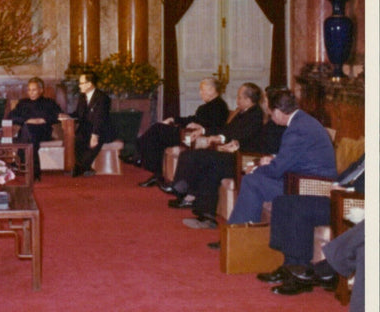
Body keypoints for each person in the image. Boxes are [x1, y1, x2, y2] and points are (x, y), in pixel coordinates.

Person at [227, 88, 337, 225]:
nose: (270, 116)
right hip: (300, 178)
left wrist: (256, 168)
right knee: (254, 180)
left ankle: (238, 234)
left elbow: (277, 170)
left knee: (252, 181)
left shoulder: (297, 130)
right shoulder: (302, 121)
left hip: (308, 185)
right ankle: (243, 232)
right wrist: (273, 160)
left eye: (270, 113)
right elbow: (294, 158)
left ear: (278, 112)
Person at [163, 83, 265, 228]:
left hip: (239, 159)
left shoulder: (255, 115)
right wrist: (207, 132)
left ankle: (182, 188)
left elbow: (241, 136)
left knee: (202, 159)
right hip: (229, 154)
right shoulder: (242, 112)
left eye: (239, 97)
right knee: (198, 159)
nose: (236, 100)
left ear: (248, 100)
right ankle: (204, 212)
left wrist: (222, 139)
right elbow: (226, 129)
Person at [257, 155, 364, 293]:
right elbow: (349, 172)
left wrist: (348, 191)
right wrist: (337, 184)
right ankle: (290, 265)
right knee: (282, 202)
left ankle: (301, 272)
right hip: (336, 198)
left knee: (299, 210)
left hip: (352, 203)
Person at [136, 77, 229, 188]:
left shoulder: (220, 106)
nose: (200, 93)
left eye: (202, 89)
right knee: (158, 133)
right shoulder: (206, 106)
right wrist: (174, 119)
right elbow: (192, 119)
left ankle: (139, 156)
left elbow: (216, 125)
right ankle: (156, 172)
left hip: (194, 137)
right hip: (188, 133)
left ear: (212, 90)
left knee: (158, 129)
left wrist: (201, 126)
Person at [8, 77, 64, 181]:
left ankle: (19, 160)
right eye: (29, 90)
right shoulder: (23, 103)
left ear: (41, 90)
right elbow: (11, 116)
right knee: (28, 130)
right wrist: (27, 120)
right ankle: (35, 173)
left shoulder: (49, 102)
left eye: (34, 90)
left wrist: (42, 120)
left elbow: (58, 116)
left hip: (43, 131)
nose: (31, 93)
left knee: (28, 131)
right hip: (27, 132)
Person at [70, 72, 116, 177]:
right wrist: (66, 116)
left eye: (81, 83)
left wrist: (95, 135)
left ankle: (80, 168)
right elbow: (78, 114)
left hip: (101, 129)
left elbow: (100, 119)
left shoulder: (102, 98)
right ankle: (85, 168)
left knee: (95, 141)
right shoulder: (82, 97)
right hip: (86, 128)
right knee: (78, 138)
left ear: (89, 84)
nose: (79, 85)